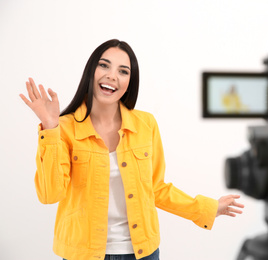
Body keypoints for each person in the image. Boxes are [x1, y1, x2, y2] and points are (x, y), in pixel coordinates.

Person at [20, 39, 244, 260]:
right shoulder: (64, 128)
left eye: (123, 71)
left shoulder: (146, 124)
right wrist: (50, 127)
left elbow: (156, 189)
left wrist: (207, 208)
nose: (112, 76)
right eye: (104, 65)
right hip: (83, 254)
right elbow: (50, 194)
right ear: (91, 71)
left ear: (130, 81)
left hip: (142, 253)